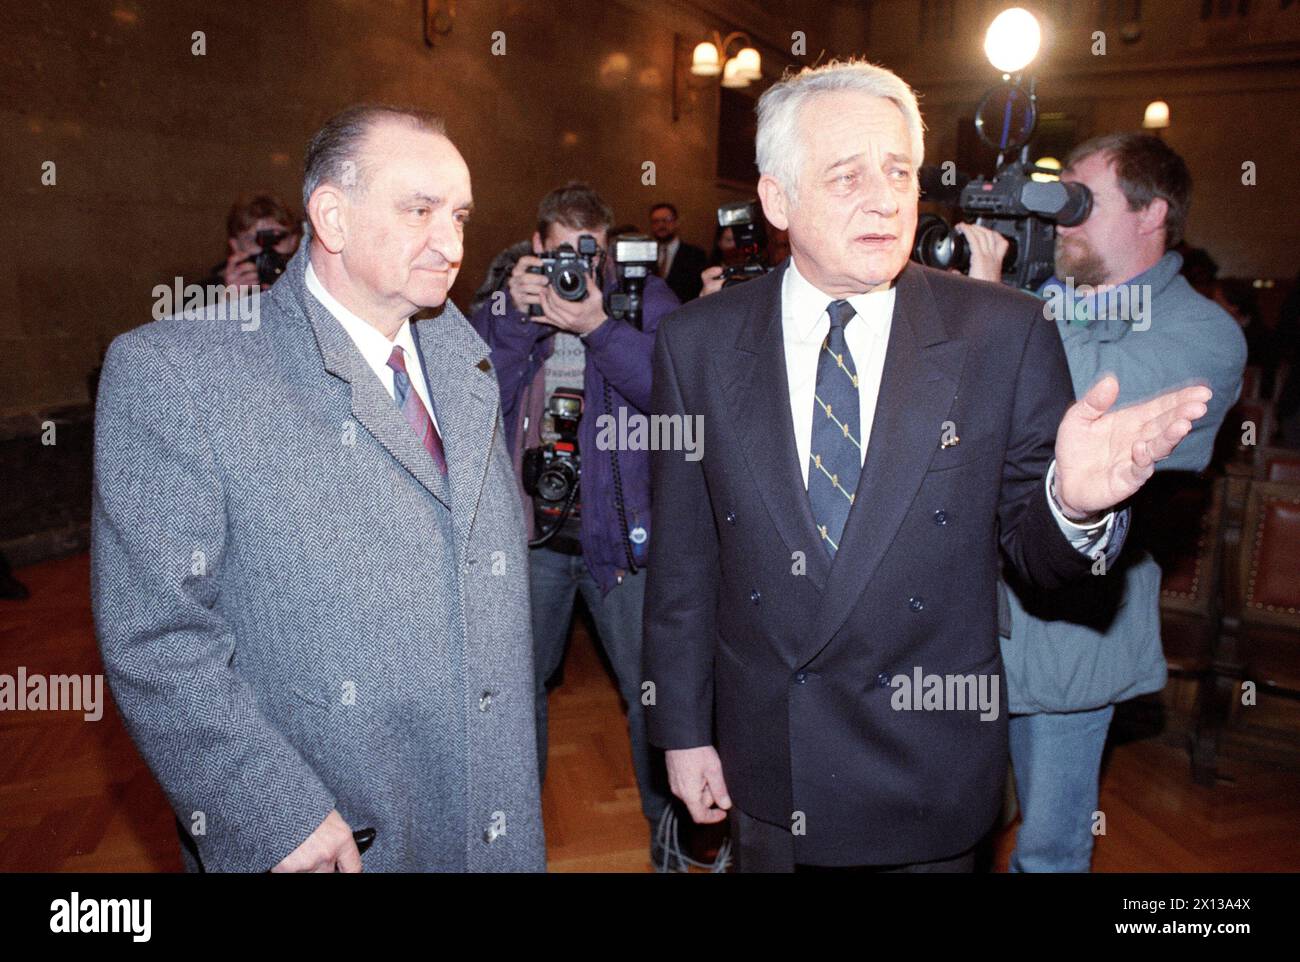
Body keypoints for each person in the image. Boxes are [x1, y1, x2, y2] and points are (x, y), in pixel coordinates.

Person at [643, 60, 1214, 872]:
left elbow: (1039, 556)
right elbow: (683, 564)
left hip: (927, 774)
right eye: (847, 176)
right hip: (770, 760)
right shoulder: (697, 343)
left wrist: (1074, 506)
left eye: (900, 171)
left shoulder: (1000, 333)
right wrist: (684, 731)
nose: (885, 198)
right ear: (777, 199)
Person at [92, 104, 544, 872]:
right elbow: (156, 634)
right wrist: (272, 812)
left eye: (461, 214)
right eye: (420, 210)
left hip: (487, 812)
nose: (452, 243)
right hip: (332, 830)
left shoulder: (461, 354)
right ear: (331, 216)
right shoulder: (179, 372)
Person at [963, 133, 1245, 872]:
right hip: (960, 623)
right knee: (944, 837)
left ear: (1152, 213)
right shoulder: (1044, 300)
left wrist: (989, 303)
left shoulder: (1204, 332)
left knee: (1049, 854)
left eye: (1080, 201)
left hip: (1070, 638)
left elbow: (1083, 410)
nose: (1060, 220)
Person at [468, 183, 680, 867]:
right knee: (513, 692)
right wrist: (516, 321)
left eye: (589, 252)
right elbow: (468, 399)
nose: (574, 268)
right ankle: (514, 839)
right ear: (537, 247)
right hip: (530, 538)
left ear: (608, 248)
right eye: (562, 252)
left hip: (622, 540)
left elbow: (672, 393)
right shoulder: (510, 303)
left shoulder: (642, 299)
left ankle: (670, 834)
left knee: (652, 690)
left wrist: (597, 327)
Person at [200, 194, 302, 293]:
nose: (267, 248)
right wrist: (230, 300)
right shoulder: (207, 292)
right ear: (235, 245)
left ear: (293, 240)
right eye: (253, 240)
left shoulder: (308, 280)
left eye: (276, 238)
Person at [649, 202, 708, 303]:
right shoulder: (647, 255)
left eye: (666, 220)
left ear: (676, 222)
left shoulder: (695, 255)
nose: (661, 225)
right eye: (656, 221)